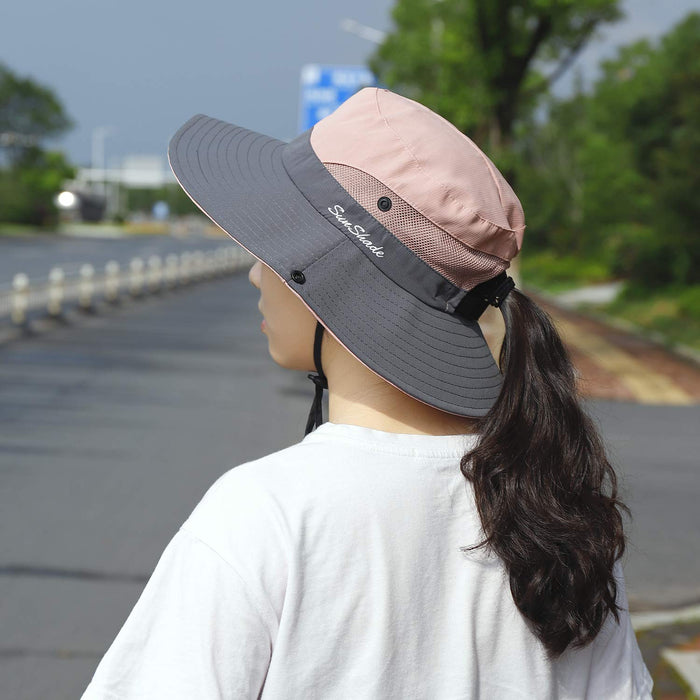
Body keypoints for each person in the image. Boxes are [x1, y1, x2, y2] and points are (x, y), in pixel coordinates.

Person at [81, 87, 653, 699]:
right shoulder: (559, 517)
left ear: (330, 275)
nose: (255, 271)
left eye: (275, 247)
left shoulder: (267, 515)